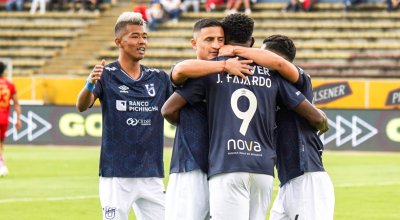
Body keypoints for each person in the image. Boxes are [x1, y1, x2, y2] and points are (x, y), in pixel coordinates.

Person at [163, 13, 328, 220]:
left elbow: (168, 109)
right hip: (264, 169)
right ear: (252, 42)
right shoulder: (272, 74)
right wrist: (322, 120)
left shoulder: (209, 71)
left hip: (226, 165)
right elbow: (311, 111)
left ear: (225, 40)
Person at [76, 12, 170, 220]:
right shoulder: (106, 74)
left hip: (151, 173)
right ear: (119, 41)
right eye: (135, 36)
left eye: (144, 36)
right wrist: (89, 84)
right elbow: (82, 105)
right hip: (116, 173)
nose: (142, 41)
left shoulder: (159, 78)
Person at [161, 18, 254, 220]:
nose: (216, 45)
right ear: (194, 44)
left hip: (224, 167)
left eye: (221, 39)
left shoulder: (230, 74)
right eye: (209, 39)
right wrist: (223, 64)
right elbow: (178, 74)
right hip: (192, 165)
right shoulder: (193, 71)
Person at [253, 35, 334, 220]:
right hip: (287, 181)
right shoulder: (269, 87)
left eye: (262, 55)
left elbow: (316, 117)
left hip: (307, 179)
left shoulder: (298, 80)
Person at [0, 62, 22, 177]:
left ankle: (2, 166)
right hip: (4, 117)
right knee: (1, 142)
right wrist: (18, 119)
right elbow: (16, 103)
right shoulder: (10, 85)